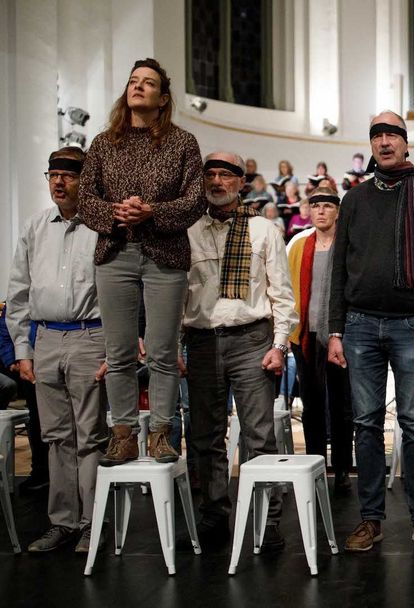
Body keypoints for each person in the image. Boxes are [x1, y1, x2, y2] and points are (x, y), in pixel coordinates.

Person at [328, 111, 414, 553]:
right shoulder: (355, 199)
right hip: (359, 324)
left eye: (391, 134)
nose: (384, 142)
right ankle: (370, 519)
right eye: (376, 134)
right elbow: (339, 268)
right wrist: (336, 330)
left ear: (405, 143)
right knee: (364, 423)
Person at [78, 57, 204, 465]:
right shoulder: (103, 143)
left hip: (164, 254)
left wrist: (152, 212)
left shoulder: (182, 143)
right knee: (117, 353)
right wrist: (117, 213)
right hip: (115, 254)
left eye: (148, 83)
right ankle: (124, 434)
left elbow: (195, 200)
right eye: (134, 81)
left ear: (162, 97)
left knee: (164, 350)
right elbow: (85, 199)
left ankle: (162, 433)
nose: (138, 87)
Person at [182, 151, 298, 550]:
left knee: (259, 436)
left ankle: (268, 521)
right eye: (210, 174)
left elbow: (281, 295)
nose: (217, 181)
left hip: (252, 339)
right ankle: (214, 517)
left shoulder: (265, 230)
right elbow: (178, 294)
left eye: (225, 176)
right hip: (200, 342)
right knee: (205, 438)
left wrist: (279, 345)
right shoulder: (187, 230)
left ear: (240, 183)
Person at [6, 147, 109, 553]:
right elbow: (18, 293)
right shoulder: (35, 227)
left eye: (67, 176)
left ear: (85, 181)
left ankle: (91, 523)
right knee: (55, 437)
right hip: (45, 337)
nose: (58, 182)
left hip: (90, 335)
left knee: (90, 436)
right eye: (52, 175)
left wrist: (114, 349)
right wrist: (22, 348)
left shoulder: (101, 226)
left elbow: (122, 293)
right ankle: (62, 522)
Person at [287, 187, 353, 496]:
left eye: (327, 206)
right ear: (309, 212)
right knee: (312, 405)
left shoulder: (349, 245)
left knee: (341, 404)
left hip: (341, 334)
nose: (321, 211)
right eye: (316, 207)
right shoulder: (299, 245)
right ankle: (315, 465)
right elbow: (288, 290)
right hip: (306, 334)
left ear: (337, 211)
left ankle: (341, 468)